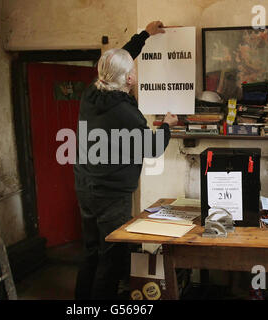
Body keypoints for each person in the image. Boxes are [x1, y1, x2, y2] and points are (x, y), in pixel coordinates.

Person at [74, 21, 179, 300]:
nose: (134, 71)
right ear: (129, 80)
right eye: (132, 70)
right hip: (111, 194)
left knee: (91, 252)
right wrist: (167, 124)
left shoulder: (91, 93)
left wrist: (144, 35)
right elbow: (154, 147)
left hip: (85, 186)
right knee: (112, 257)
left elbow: (118, 59)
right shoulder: (124, 113)